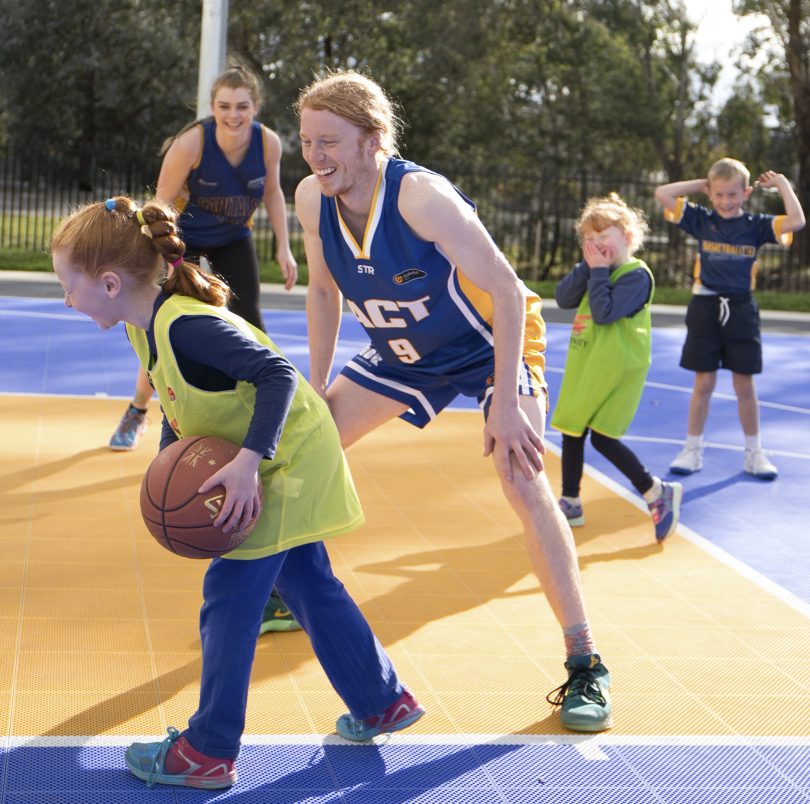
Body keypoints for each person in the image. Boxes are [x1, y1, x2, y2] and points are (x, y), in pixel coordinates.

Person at [50, 196, 424, 790]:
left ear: (111, 282)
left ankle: (209, 749)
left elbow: (275, 375)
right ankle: (381, 701)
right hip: (285, 459)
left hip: (284, 462)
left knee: (229, 595)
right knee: (307, 580)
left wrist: (249, 462)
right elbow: (183, 405)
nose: (67, 299)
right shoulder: (144, 327)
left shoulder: (190, 325)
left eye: (69, 287)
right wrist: (168, 464)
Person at [290, 69, 611, 733]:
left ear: (372, 140)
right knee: (301, 446)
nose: (316, 156)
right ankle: (285, 585)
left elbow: (511, 288)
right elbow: (322, 293)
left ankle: (585, 662)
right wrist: (318, 387)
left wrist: (504, 402)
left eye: (330, 141)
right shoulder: (311, 199)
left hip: (492, 339)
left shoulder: (420, 198)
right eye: (306, 142)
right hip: (406, 349)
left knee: (521, 477)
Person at [109, 63, 298, 455]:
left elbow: (274, 194)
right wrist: (156, 260)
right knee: (163, 328)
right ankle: (138, 410)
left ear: (256, 107)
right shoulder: (192, 144)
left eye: (242, 106)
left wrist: (284, 246)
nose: (234, 115)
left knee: (252, 324)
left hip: (233, 238)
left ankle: (258, 413)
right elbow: (160, 204)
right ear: (213, 108)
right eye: (225, 106)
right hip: (184, 237)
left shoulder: (268, 144)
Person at [655, 158, 805, 479]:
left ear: (746, 193)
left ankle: (754, 453)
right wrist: (701, 184)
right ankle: (692, 448)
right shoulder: (700, 219)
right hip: (704, 308)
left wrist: (782, 185)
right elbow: (662, 193)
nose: (725, 201)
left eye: (732, 195)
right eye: (719, 194)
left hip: (740, 309)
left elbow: (797, 221)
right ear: (711, 194)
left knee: (744, 385)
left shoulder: (756, 225)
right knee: (704, 382)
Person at [551, 194, 682, 542]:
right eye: (589, 240)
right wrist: (587, 266)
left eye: (603, 237)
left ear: (626, 236)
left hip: (619, 367)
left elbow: (605, 312)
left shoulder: (636, 276)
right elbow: (564, 299)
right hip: (589, 361)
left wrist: (596, 272)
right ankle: (571, 501)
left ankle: (655, 491)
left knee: (604, 437)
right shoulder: (595, 268)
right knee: (573, 429)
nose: (596, 245)